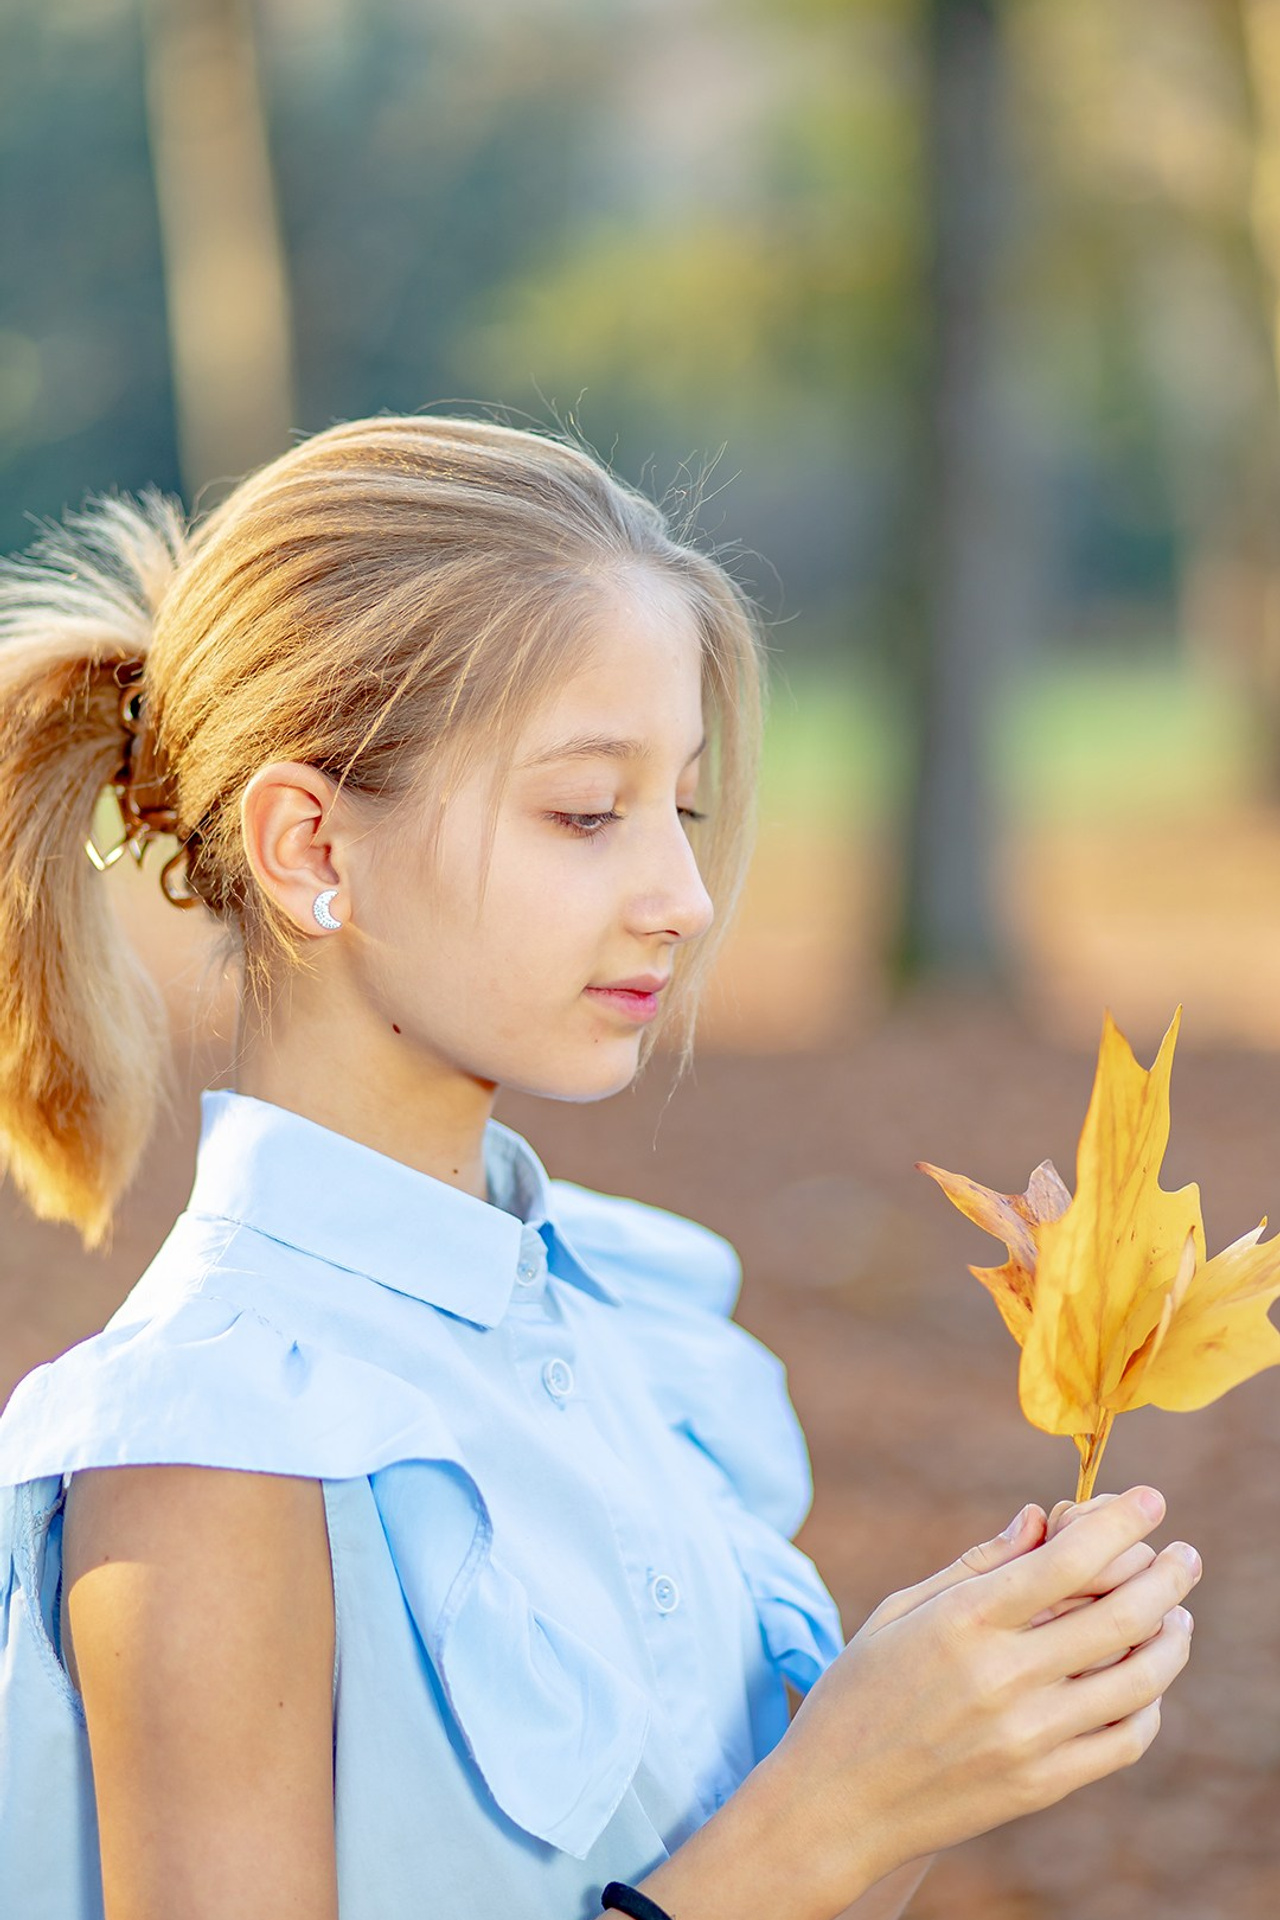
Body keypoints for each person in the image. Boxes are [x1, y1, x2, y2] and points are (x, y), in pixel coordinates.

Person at [0, 415, 1198, 1920]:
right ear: (311, 847)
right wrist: (828, 1815)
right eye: (587, 811)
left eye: (682, 807)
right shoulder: (209, 1455)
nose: (684, 896)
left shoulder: (639, 1320)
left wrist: (931, 1751)